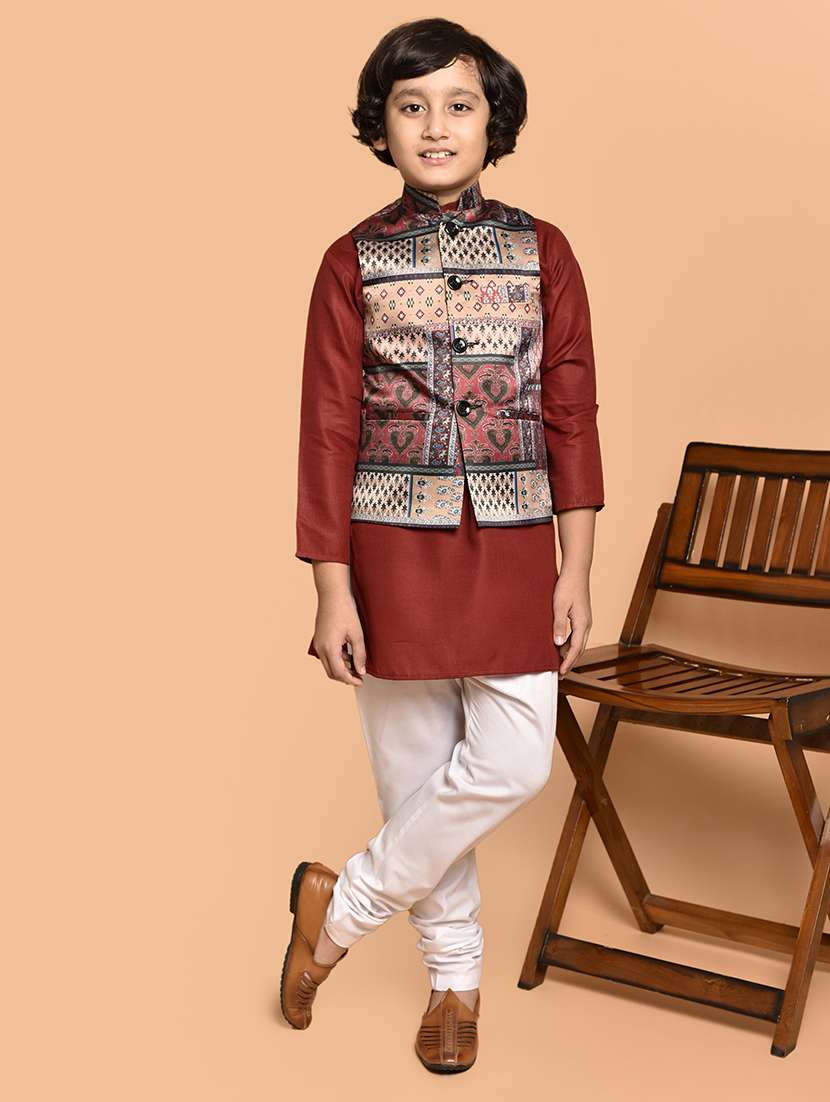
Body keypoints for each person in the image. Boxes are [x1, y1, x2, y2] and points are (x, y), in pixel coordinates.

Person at [280, 17, 604, 1074]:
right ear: (380, 126)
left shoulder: (543, 250)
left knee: (512, 759)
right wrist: (331, 591)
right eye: (410, 106)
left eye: (458, 105)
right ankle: (454, 981)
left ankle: (339, 911)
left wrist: (576, 567)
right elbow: (326, 427)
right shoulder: (351, 261)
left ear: (491, 121)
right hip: (387, 550)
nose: (434, 126)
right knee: (414, 773)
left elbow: (571, 414)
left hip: (514, 542)